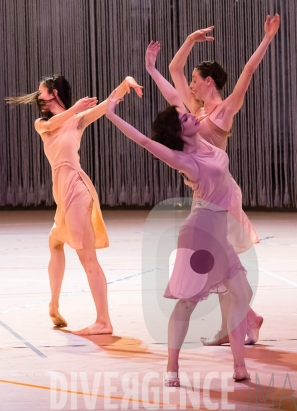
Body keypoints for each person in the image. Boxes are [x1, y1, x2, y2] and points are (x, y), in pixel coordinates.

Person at [144, 14, 280, 345]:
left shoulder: (223, 110)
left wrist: (266, 39)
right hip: (203, 194)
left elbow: (248, 73)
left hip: (221, 195)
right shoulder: (195, 109)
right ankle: (245, 320)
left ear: (208, 81)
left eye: (195, 78)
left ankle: (235, 325)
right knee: (219, 262)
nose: (189, 83)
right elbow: (174, 72)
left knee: (220, 261)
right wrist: (189, 40)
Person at [105, 93, 253, 384]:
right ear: (178, 132)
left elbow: (174, 97)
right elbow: (146, 142)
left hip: (218, 234)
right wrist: (111, 114)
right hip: (199, 234)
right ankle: (171, 368)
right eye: (184, 118)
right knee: (188, 302)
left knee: (241, 294)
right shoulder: (185, 160)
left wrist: (156, 67)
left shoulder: (205, 144)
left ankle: (239, 365)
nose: (191, 115)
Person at [6, 74, 142, 335]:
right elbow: (56, 122)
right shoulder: (43, 123)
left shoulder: (77, 121)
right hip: (63, 196)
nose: (38, 97)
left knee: (88, 258)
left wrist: (125, 83)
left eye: (41, 92)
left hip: (77, 191)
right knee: (55, 242)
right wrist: (74, 110)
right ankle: (54, 305)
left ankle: (104, 321)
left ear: (54, 92)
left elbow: (106, 105)